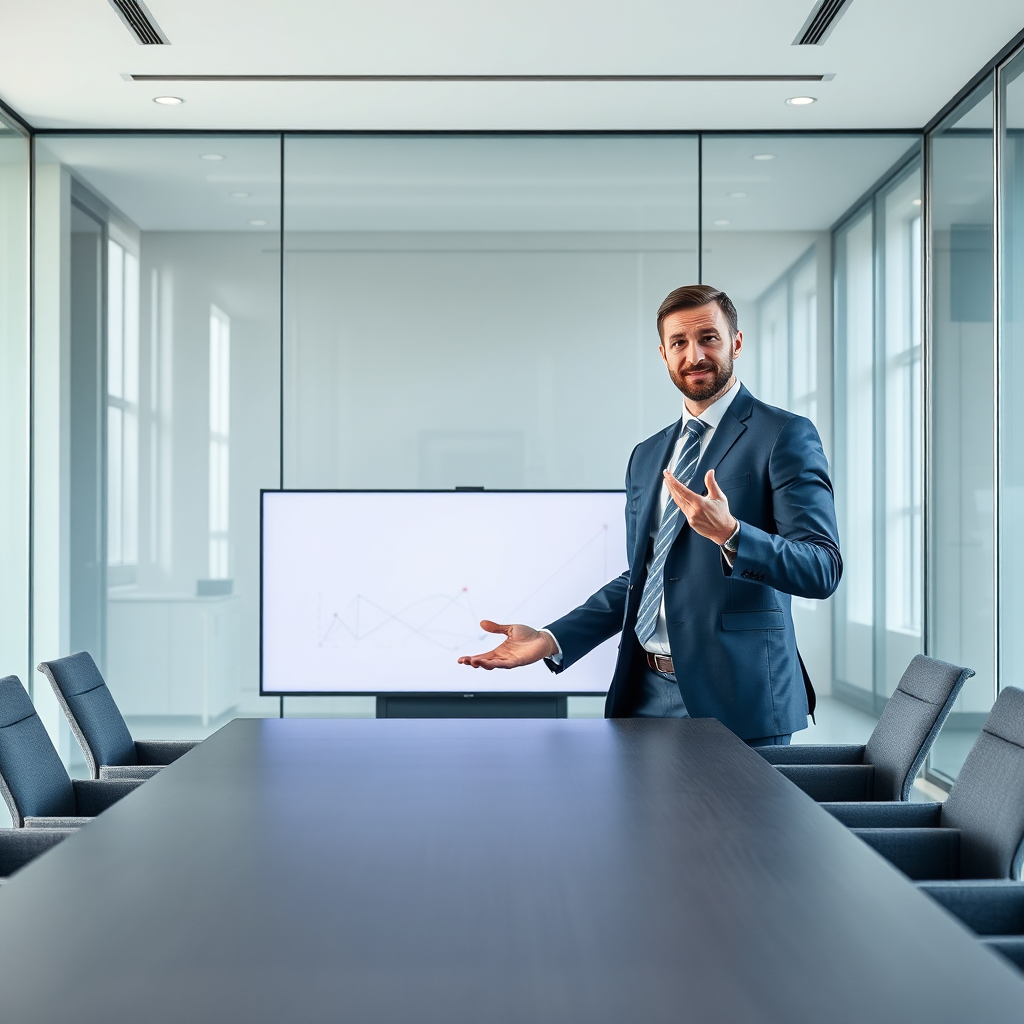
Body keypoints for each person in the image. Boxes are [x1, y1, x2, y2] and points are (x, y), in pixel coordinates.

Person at [458, 284, 842, 745]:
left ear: (736, 342)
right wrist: (552, 637)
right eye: (679, 342)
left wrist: (734, 535)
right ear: (663, 353)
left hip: (739, 699)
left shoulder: (784, 435)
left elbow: (822, 568)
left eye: (709, 338)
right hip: (643, 696)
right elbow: (645, 577)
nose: (694, 354)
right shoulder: (647, 456)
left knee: (737, 822)